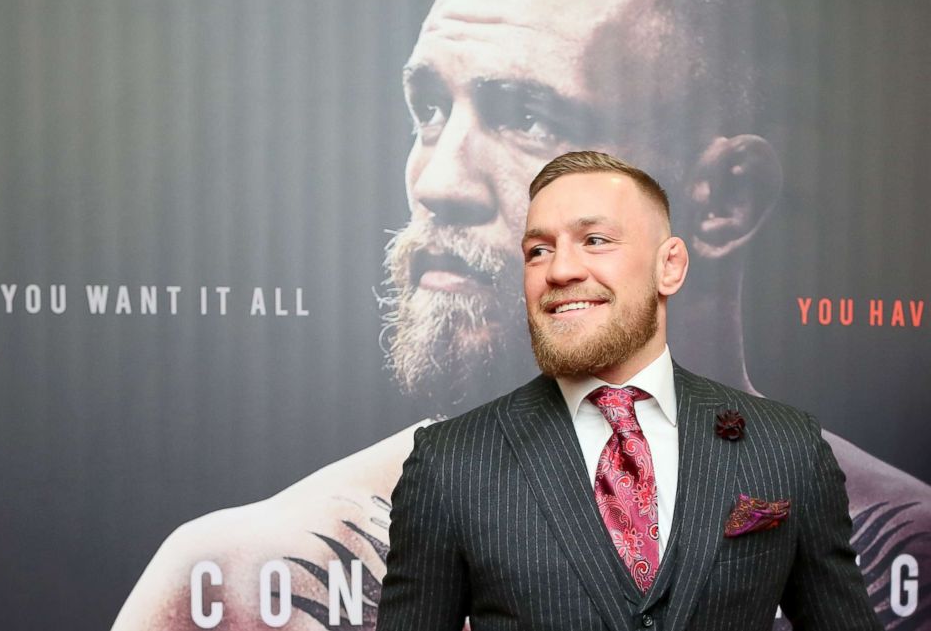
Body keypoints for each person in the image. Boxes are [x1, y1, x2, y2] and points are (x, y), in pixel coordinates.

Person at [114, 0, 930, 629]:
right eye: (429, 109)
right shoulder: (250, 588)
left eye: (526, 117)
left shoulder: (905, 561)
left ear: (720, 201)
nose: (437, 182)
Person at [376, 150, 882, 631]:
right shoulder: (450, 464)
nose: (560, 270)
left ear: (671, 266)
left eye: (595, 240)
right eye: (538, 250)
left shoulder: (786, 445)